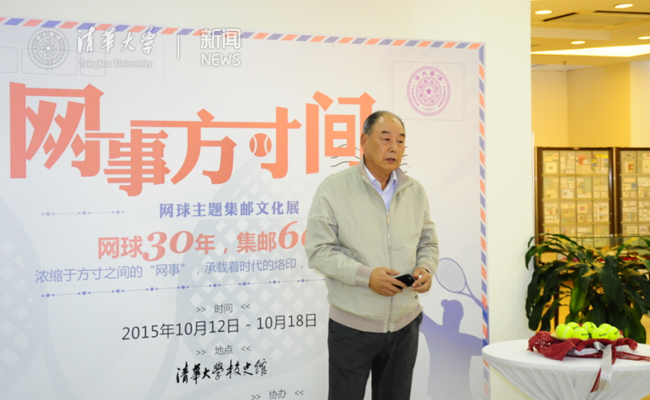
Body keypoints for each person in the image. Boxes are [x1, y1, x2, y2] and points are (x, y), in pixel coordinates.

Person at [305, 110, 439, 400]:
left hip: (405, 325)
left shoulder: (414, 191)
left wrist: (425, 269)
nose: (394, 147)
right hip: (352, 326)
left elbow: (428, 243)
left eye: (400, 141)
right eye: (386, 138)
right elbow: (318, 251)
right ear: (364, 141)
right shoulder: (334, 188)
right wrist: (366, 277)